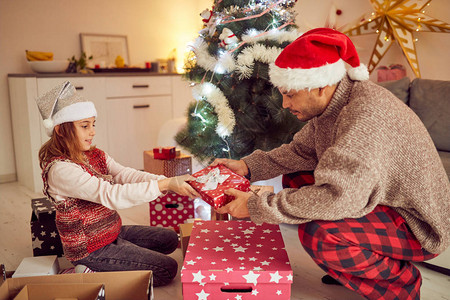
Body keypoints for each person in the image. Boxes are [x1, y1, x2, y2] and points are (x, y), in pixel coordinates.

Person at [212, 28, 450, 299]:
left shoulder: (364, 115)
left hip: (418, 224)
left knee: (319, 233)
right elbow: (301, 152)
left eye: (290, 94)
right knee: (297, 175)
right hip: (378, 198)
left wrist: (256, 207)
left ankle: (402, 285)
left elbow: (337, 198)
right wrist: (247, 167)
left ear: (320, 86)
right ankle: (353, 267)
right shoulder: (335, 103)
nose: (285, 103)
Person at [36, 81, 200, 287]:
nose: (92, 131)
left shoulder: (93, 155)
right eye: (85, 126)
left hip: (111, 231)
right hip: (91, 248)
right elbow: (111, 195)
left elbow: (125, 174)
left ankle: (121, 257)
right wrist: (166, 185)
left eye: (93, 124)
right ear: (60, 130)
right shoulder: (61, 170)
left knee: (168, 238)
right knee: (167, 269)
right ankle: (89, 271)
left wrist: (166, 181)